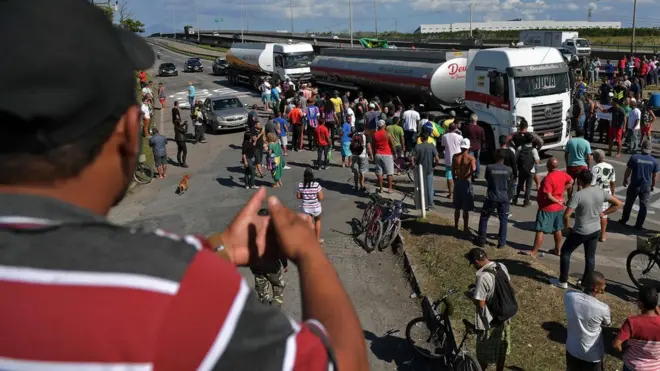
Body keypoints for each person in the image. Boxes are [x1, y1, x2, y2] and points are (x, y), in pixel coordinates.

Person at [0, 1, 369, 369]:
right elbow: (342, 362)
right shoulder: (171, 287)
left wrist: (221, 247)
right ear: (130, 133)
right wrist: (309, 252)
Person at [552, 171, 622, 289]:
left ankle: (563, 281)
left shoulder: (578, 195)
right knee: (590, 258)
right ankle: (586, 284)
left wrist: (567, 228)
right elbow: (618, 203)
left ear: (580, 181)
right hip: (595, 229)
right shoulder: (600, 192)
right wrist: (604, 213)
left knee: (565, 252)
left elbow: (566, 215)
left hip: (581, 230)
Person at [466, 248, 513, 371]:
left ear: (476, 262)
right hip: (505, 317)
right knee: (501, 351)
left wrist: (472, 295)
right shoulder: (501, 266)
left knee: (483, 355)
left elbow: (481, 304)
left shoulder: (483, 277)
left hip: (490, 322)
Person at [523, 158, 573, 257]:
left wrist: (556, 200)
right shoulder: (562, 174)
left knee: (540, 230)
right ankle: (558, 250)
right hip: (559, 208)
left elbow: (549, 196)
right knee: (557, 229)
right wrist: (562, 190)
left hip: (547, 208)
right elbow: (571, 181)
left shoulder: (548, 178)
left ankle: (534, 251)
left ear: (548, 166)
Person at [563, 272, 612, 371]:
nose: (605, 286)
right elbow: (608, 323)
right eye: (603, 285)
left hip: (572, 349)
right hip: (592, 354)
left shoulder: (569, 295)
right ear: (595, 288)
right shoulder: (603, 308)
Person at [613, 286, 660, 371]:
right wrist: (654, 303)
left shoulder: (632, 322)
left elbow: (616, 344)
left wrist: (622, 352)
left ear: (641, 304)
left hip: (632, 366)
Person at [250, 208, 287, 307]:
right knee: (277, 285)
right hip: (272, 266)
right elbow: (280, 251)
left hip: (257, 266)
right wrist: (284, 263)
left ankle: (264, 303)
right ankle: (276, 305)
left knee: (261, 288)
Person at [477, 149, 513, 249]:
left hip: (491, 196)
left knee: (484, 218)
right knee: (503, 220)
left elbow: (487, 179)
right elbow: (510, 182)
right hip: (504, 197)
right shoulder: (509, 169)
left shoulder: (489, 167)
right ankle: (502, 243)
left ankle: (481, 240)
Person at [620, 140, 660, 230]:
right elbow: (655, 175)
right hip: (646, 186)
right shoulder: (654, 161)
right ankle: (639, 224)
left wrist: (625, 179)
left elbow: (628, 170)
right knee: (643, 205)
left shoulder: (634, 157)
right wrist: (653, 185)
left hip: (634, 184)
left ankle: (624, 220)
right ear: (650, 149)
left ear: (642, 147)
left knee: (629, 203)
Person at [410, 130, 440, 211]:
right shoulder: (432, 146)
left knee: (419, 187)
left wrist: (413, 165)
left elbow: (412, 157)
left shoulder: (417, 146)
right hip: (429, 169)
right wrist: (434, 165)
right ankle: (430, 204)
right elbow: (437, 159)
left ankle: (420, 204)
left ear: (421, 138)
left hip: (419, 170)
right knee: (429, 187)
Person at [590, 150, 616, 242]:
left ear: (595, 158)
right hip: (606, 193)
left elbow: (592, 183)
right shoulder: (610, 167)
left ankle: (592, 232)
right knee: (603, 215)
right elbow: (612, 182)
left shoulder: (594, 168)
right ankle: (603, 235)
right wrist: (612, 194)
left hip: (596, 193)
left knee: (593, 214)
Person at [452, 138, 476, 232]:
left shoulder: (455, 156)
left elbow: (452, 170)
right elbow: (474, 169)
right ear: (469, 147)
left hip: (458, 181)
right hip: (466, 182)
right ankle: (465, 227)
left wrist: (455, 180)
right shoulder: (471, 158)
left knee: (457, 207)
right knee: (465, 208)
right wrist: (468, 175)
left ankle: (456, 225)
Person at [297, 168, 325, 243]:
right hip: (316, 207)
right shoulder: (316, 185)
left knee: (309, 224)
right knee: (317, 221)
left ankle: (309, 239)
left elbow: (298, 196)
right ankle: (317, 239)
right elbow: (321, 197)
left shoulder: (300, 185)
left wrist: (306, 196)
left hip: (306, 208)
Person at [564, 127, 592, 198]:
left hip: (571, 165)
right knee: (580, 184)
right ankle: (579, 199)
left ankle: (570, 199)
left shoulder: (570, 141)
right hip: (582, 166)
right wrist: (589, 167)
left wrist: (567, 163)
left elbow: (566, 154)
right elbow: (589, 157)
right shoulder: (586, 142)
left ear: (576, 133)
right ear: (583, 133)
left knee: (570, 183)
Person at [514, 134, 539, 207]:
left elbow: (515, 159)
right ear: (532, 140)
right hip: (531, 171)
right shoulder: (533, 150)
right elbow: (537, 161)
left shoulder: (520, 148)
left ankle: (515, 199)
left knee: (519, 185)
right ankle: (526, 202)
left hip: (521, 169)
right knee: (528, 187)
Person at [373, 120, 396, 193]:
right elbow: (392, 144)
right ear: (383, 125)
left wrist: (373, 155)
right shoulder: (387, 134)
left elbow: (373, 146)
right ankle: (390, 188)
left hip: (378, 154)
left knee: (379, 172)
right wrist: (394, 152)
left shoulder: (375, 134)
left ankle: (381, 188)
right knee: (389, 173)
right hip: (387, 154)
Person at [442, 123, 463, 199]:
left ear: (448, 128)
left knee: (449, 176)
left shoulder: (444, 136)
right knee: (458, 176)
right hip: (458, 158)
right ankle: (458, 193)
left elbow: (443, 147)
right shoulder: (460, 137)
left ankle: (450, 194)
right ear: (455, 129)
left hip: (448, 158)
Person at [463, 114, 485, 181]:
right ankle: (477, 173)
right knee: (477, 159)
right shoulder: (481, 129)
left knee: (470, 160)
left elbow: (465, 137)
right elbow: (483, 139)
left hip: (470, 147)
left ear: (470, 119)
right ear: (476, 120)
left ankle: (471, 173)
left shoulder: (467, 128)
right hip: (478, 146)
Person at [350, 127, 372, 192]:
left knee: (355, 171)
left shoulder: (354, 135)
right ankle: (362, 185)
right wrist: (371, 155)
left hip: (355, 154)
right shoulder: (365, 135)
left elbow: (352, 145)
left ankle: (356, 185)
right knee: (362, 171)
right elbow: (368, 146)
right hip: (363, 155)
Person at [498, 135, 517, 207]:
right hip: (509, 175)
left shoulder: (496, 152)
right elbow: (514, 165)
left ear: (499, 142)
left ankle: (499, 206)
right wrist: (515, 175)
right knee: (508, 191)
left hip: (498, 174)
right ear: (507, 142)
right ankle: (505, 209)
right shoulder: (510, 153)